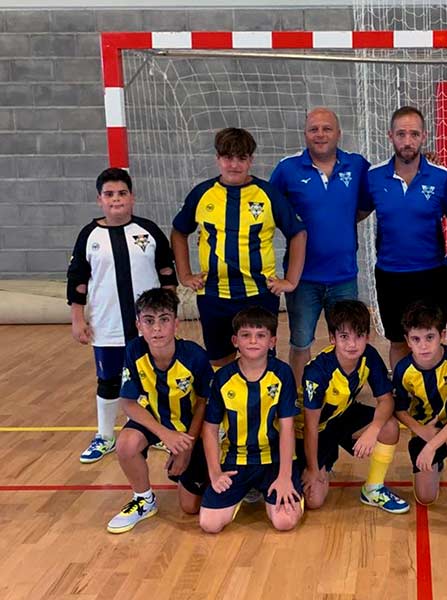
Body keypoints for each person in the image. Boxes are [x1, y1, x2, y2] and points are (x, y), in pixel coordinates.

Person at [171, 127, 307, 368]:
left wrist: (291, 280)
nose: (234, 164)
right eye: (227, 157)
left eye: (241, 158)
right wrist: (184, 275)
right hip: (214, 295)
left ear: (251, 160)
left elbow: (298, 233)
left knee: (261, 360)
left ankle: (264, 405)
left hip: (258, 295)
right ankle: (228, 405)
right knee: (220, 362)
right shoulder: (202, 194)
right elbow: (179, 232)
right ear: (217, 159)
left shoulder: (267, 194)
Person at [67, 167, 177, 464]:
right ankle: (104, 435)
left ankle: (157, 432)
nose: (116, 200)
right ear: (99, 199)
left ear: (133, 197)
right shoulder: (89, 235)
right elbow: (77, 280)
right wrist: (78, 319)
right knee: (109, 380)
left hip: (149, 327)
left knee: (155, 378)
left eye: (122, 193)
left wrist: (167, 316)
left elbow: (167, 273)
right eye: (109, 194)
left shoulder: (149, 231)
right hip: (107, 324)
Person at [358, 106, 447, 369]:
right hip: (390, 275)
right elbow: (354, 215)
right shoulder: (373, 176)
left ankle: (432, 394)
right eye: (401, 134)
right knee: (398, 341)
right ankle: (402, 395)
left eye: (414, 134)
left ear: (424, 136)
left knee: (431, 340)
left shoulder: (441, 178)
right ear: (390, 135)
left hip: (431, 275)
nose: (407, 141)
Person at [270, 108, 369, 386]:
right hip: (303, 279)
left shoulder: (357, 165)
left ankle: (345, 393)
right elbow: (271, 210)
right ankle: (301, 399)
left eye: (327, 128)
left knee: (348, 339)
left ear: (339, 133)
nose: (320, 134)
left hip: (343, 277)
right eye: (314, 129)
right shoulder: (287, 169)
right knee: (301, 341)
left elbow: (367, 202)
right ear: (305, 134)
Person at [106, 288, 212, 533]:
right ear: (138, 325)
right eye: (149, 321)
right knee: (126, 443)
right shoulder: (134, 351)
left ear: (175, 324)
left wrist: (186, 447)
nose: (156, 329)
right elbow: (129, 403)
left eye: (164, 320)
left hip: (189, 428)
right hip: (156, 421)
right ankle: (144, 499)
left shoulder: (195, 356)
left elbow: (203, 403)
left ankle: (208, 474)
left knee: (190, 507)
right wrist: (165, 435)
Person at [198, 307, 303, 533]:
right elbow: (209, 429)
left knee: (284, 522)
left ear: (272, 341)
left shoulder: (282, 373)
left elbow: (287, 427)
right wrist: (215, 473)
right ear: (235, 341)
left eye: (261, 335)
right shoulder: (223, 378)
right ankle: (247, 490)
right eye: (246, 335)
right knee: (209, 524)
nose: (253, 341)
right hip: (237, 460)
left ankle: (272, 487)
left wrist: (284, 476)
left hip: (274, 460)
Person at [299, 300, 409, 514]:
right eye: (344, 337)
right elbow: (310, 427)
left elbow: (386, 400)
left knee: (389, 427)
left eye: (359, 336)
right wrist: (312, 470)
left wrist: (372, 431)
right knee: (314, 501)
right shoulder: (318, 372)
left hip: (343, 415)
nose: (352, 344)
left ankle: (373, 488)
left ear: (367, 337)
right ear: (332, 339)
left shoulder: (369, 356)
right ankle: (323, 464)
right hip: (316, 431)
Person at [393, 302, 447, 537]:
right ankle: (437, 464)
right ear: (407, 340)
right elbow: (399, 410)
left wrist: (434, 444)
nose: (424, 345)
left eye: (430, 337)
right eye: (416, 339)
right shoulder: (403, 369)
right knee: (426, 498)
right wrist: (421, 431)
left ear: (442, 335)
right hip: (426, 428)